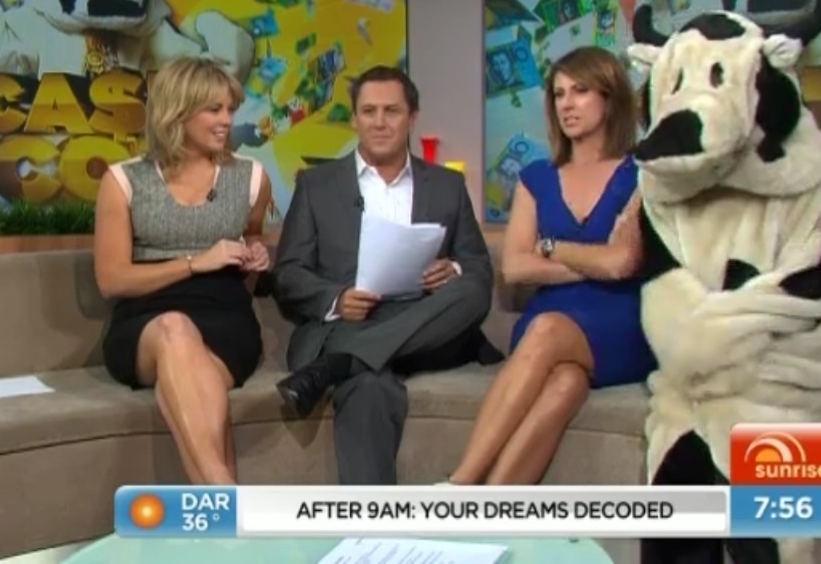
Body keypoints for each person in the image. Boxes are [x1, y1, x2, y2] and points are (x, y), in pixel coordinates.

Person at [271, 65, 499, 485]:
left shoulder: (447, 185)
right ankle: (373, 524)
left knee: (472, 287)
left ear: (412, 118)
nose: (379, 122)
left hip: (428, 327)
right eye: (369, 111)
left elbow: (478, 266)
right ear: (354, 119)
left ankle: (342, 362)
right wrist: (337, 298)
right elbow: (288, 273)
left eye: (391, 111)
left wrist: (453, 269)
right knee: (368, 388)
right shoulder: (316, 185)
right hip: (349, 324)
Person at [444, 46, 656, 485]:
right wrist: (594, 260)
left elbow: (623, 263)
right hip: (552, 313)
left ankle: (459, 484)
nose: (566, 104)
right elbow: (516, 268)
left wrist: (550, 247)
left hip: (618, 321)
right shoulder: (536, 176)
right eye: (558, 94)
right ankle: (490, 508)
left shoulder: (643, 174)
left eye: (580, 91)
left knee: (545, 331)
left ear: (610, 97)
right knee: (564, 385)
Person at [93, 56, 273, 485]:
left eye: (229, 109)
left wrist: (255, 252)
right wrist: (195, 263)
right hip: (146, 321)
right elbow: (112, 280)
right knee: (175, 328)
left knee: (194, 380)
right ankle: (227, 493)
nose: (226, 120)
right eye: (214, 109)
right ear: (178, 111)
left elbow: (252, 235)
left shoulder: (251, 177)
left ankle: (221, 502)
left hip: (225, 320)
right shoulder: (123, 181)